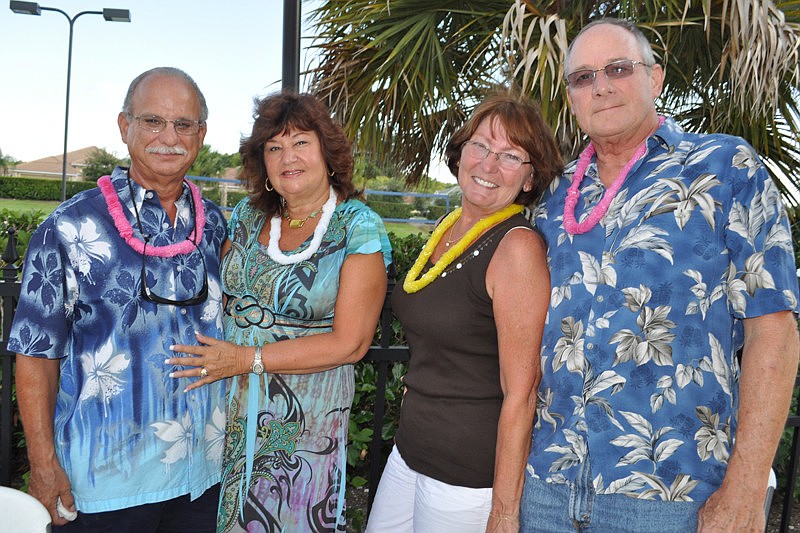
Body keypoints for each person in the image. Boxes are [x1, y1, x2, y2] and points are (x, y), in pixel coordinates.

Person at [522, 18, 800, 533]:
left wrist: (745, 489)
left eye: (618, 69)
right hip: (546, 488)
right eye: (583, 77)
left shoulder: (724, 168)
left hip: (671, 497)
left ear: (655, 78)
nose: (601, 86)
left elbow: (774, 330)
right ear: (572, 98)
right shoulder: (553, 194)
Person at [10, 66, 228, 532]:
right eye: (153, 121)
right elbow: (35, 356)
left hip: (203, 475)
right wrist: (43, 465)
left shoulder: (214, 225)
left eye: (183, 124)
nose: (169, 137)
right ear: (124, 126)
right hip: (107, 483)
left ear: (201, 134)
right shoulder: (69, 227)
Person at [166, 91, 392, 532]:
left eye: (301, 142)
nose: (288, 157)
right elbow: (221, 301)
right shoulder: (246, 217)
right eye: (274, 147)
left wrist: (245, 359)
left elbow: (352, 343)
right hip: (225, 411)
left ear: (327, 152)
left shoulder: (357, 226)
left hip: (303, 425)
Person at [366, 90, 563, 533]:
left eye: (510, 156)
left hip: (465, 474)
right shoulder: (449, 227)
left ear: (529, 179)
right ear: (460, 154)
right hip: (411, 450)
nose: (489, 165)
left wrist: (505, 511)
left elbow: (522, 392)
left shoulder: (516, 248)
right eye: (481, 146)